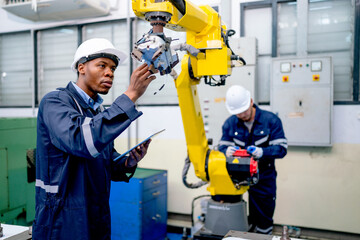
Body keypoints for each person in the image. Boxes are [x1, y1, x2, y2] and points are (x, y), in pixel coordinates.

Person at [32, 38, 157, 240]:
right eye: (102, 65)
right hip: (62, 218)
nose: (110, 73)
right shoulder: (55, 101)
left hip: (95, 213)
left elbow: (104, 161)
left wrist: (127, 162)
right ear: (81, 67)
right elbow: (81, 142)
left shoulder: (97, 111)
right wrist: (131, 94)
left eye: (113, 68)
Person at [219, 85, 288, 235]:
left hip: (263, 177)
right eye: (237, 113)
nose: (242, 115)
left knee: (263, 219)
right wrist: (226, 151)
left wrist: (262, 152)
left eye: (244, 111)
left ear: (251, 102)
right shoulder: (230, 123)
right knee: (233, 214)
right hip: (236, 177)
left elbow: (282, 149)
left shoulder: (271, 121)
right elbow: (222, 146)